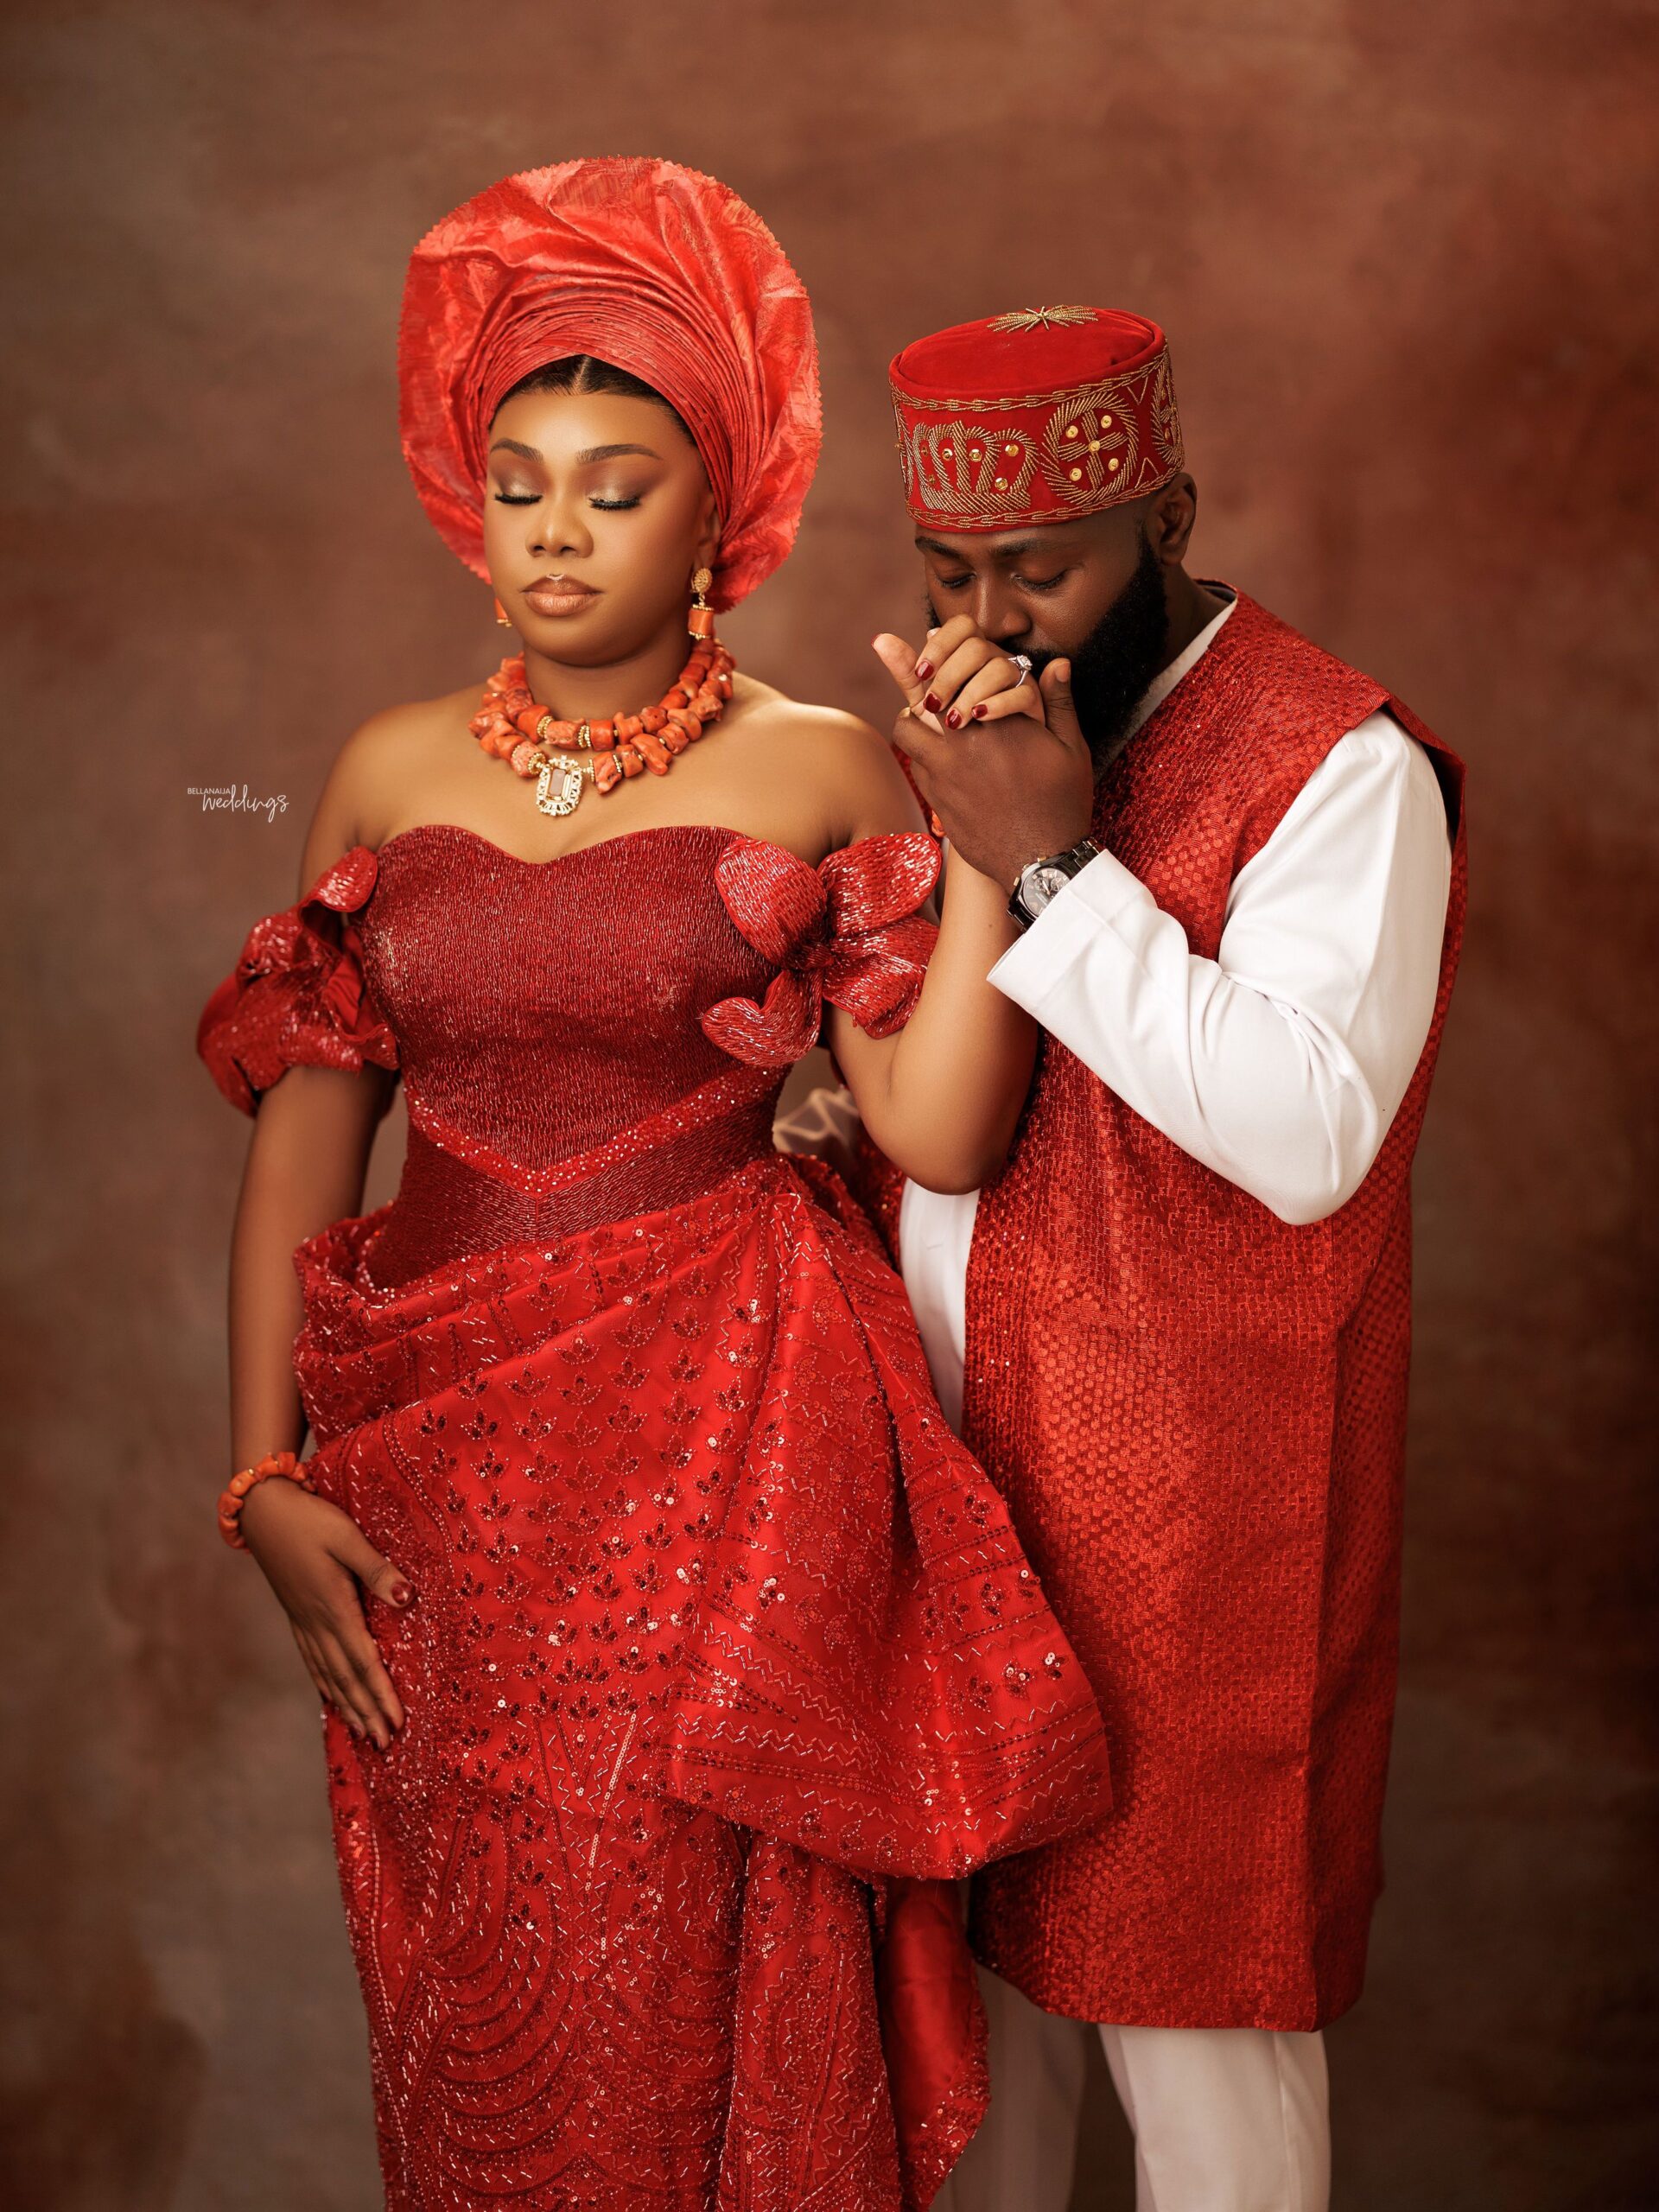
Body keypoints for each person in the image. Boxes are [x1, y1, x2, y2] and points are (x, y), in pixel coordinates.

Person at [194, 168, 1111, 2212]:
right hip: (440, 1494)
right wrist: (259, 1475)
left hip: (723, 1462)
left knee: (684, 1970)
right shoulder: (386, 770)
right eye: (517, 484)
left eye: (615, 489)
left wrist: (990, 848)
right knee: (477, 2001)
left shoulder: (820, 766)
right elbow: (303, 1155)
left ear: (722, 516)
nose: (554, 529)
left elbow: (943, 1127)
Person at [802, 304, 1467, 2211]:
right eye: (948, 572)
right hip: (967, 1506)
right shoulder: (985, 732)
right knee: (971, 2090)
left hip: (1202, 1558)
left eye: (1042, 568)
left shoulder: (1339, 764)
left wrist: (1051, 863)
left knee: (1205, 2085)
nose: (990, 618)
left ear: (1166, 516)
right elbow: (980, 1107)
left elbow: (1306, 1133)